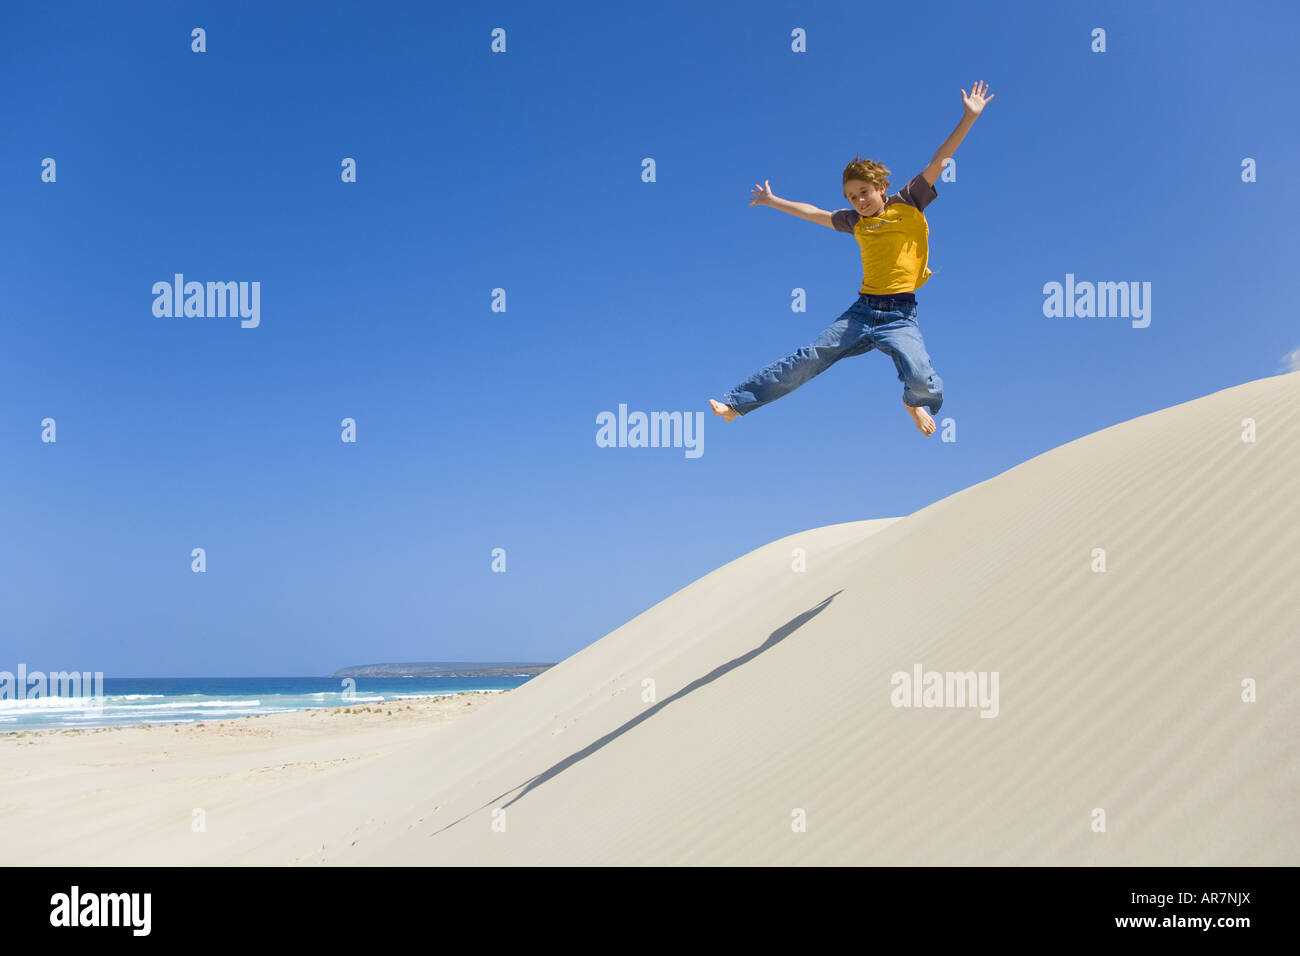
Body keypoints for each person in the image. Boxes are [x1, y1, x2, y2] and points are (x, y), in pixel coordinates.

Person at [710, 80, 994, 437]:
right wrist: (773, 200)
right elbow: (813, 212)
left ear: (880, 189)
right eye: (851, 196)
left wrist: (969, 117)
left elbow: (940, 159)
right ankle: (738, 404)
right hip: (861, 313)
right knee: (809, 358)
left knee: (923, 382)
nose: (858, 201)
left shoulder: (909, 201)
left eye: (863, 193)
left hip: (900, 317)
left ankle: (911, 402)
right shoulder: (855, 222)